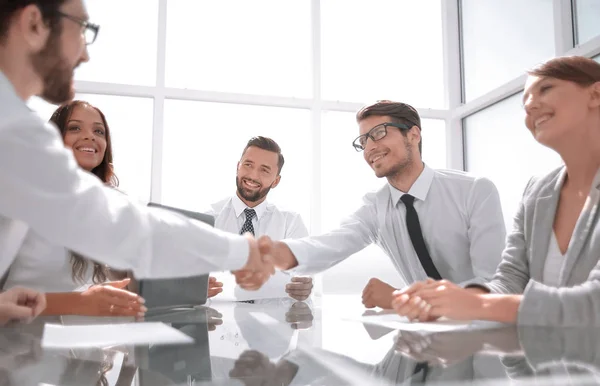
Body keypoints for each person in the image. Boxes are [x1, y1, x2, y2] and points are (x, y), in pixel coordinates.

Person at [0, 0, 274, 320]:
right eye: (83, 30)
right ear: (35, 24)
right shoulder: (14, 130)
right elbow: (127, 228)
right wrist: (242, 251)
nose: (85, 54)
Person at [390, 56, 600, 326]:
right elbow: (511, 278)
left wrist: (479, 304)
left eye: (545, 89)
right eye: (525, 101)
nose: (530, 105)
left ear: (595, 94)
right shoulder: (538, 191)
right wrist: (455, 301)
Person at [237, 100, 507, 309]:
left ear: (414, 134)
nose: (369, 148)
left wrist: (401, 299)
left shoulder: (474, 191)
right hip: (427, 342)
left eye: (378, 134)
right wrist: (269, 254)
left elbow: (494, 286)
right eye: (363, 141)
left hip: (484, 338)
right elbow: (327, 245)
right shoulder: (376, 208)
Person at [2, 100, 145, 317]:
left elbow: (129, 281)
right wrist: (78, 303)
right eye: (74, 128)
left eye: (99, 131)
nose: (90, 136)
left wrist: (177, 288)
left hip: (97, 343)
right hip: (22, 342)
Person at [208, 136, 313, 303]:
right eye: (248, 165)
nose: (252, 176)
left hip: (273, 322)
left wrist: (305, 286)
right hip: (219, 320)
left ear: (276, 181)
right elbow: (186, 276)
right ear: (238, 167)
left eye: (264, 170)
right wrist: (196, 288)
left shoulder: (291, 223)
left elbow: (303, 276)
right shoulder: (209, 219)